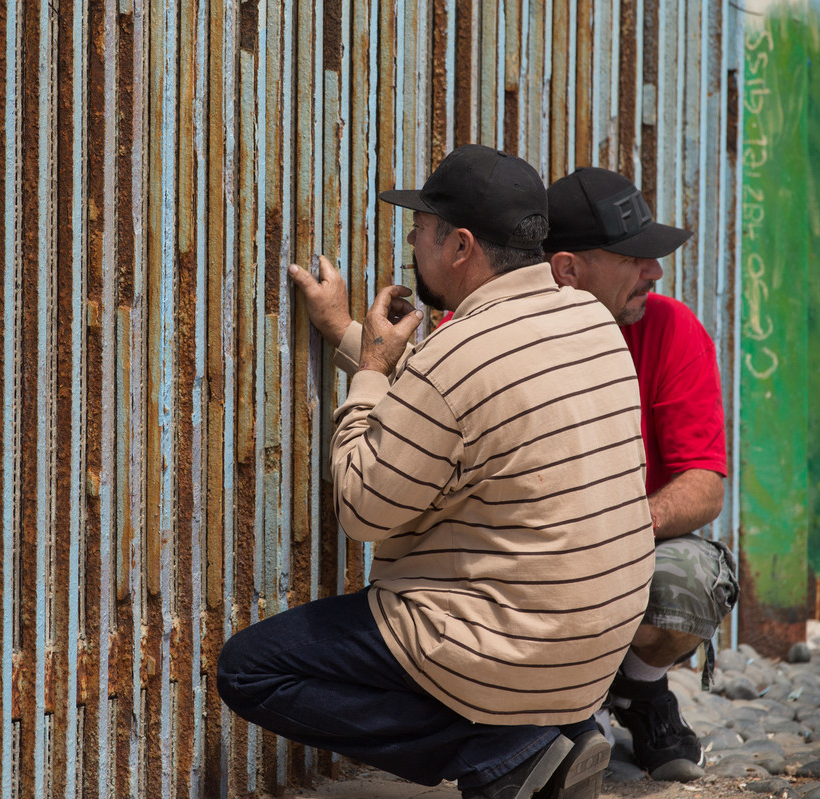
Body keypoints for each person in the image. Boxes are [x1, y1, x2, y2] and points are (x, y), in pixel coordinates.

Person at [215, 144, 655, 799]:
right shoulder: (588, 318)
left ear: (459, 246)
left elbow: (364, 508)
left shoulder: (457, 355)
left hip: (512, 649)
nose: (412, 242)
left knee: (249, 669)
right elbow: (463, 405)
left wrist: (367, 372)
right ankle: (551, 734)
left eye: (420, 228)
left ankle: (505, 753)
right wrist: (349, 334)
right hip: (590, 652)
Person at [543, 167, 739, 782]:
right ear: (568, 269)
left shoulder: (673, 329)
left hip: (629, 546)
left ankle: (640, 688)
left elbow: (705, 481)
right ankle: (569, 705)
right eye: (635, 257)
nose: (655, 271)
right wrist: (344, 335)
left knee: (691, 580)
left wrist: (632, 522)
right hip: (533, 564)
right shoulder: (508, 333)